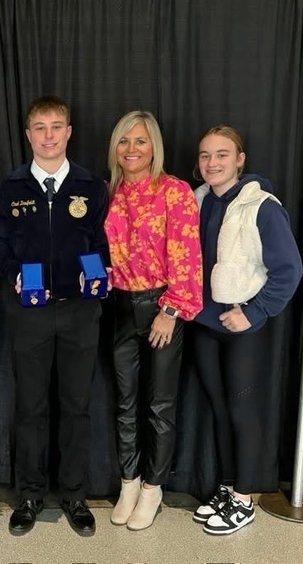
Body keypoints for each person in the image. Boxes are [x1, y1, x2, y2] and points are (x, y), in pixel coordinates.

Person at [0, 95, 110, 537]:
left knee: (76, 406)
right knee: (30, 408)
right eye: (40, 127)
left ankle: (75, 493)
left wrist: (100, 272)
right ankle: (30, 494)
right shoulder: (10, 188)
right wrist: (15, 273)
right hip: (30, 315)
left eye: (57, 127)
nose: (49, 136)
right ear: (28, 134)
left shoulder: (91, 187)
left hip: (80, 313)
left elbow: (102, 246)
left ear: (70, 132)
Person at [191, 125, 303, 535]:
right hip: (205, 323)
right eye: (205, 155)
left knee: (243, 411)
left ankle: (245, 498)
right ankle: (226, 486)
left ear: (240, 159)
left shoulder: (262, 206)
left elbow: (289, 270)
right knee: (219, 410)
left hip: (243, 328)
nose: (212, 163)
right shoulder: (198, 200)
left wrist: (254, 312)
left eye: (222, 154)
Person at [103, 111, 203, 531]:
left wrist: (171, 311)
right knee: (126, 404)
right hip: (120, 307)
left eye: (140, 141)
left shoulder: (174, 192)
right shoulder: (110, 192)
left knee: (159, 406)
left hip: (162, 308)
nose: (131, 149)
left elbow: (187, 256)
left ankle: (152, 488)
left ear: (154, 146)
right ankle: (129, 481)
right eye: (124, 141)